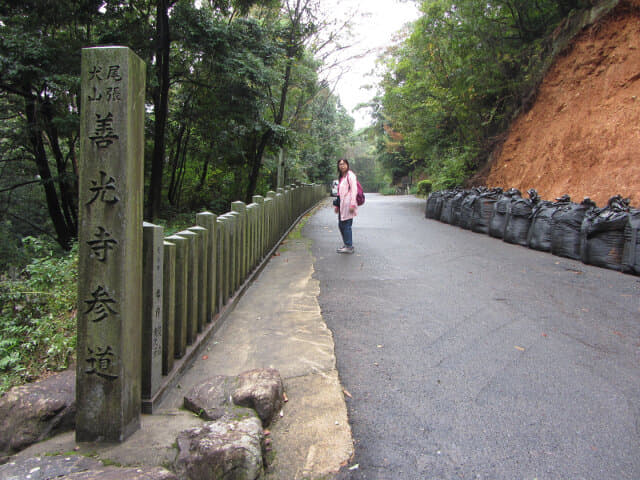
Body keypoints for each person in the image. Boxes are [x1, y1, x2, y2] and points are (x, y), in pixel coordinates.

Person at [334, 158, 358, 254]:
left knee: (347, 225)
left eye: (344, 164)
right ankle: (346, 244)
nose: (342, 166)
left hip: (349, 205)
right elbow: (339, 193)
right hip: (342, 205)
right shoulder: (342, 177)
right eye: (340, 164)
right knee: (341, 225)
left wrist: (352, 204)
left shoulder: (350, 175)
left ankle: (349, 246)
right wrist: (337, 206)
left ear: (347, 165)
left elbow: (354, 190)